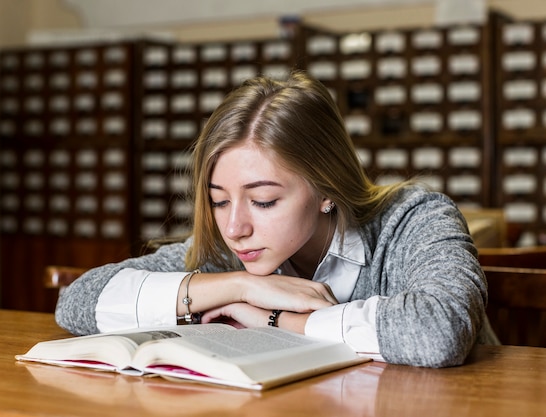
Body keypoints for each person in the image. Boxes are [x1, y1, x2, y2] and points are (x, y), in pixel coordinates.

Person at [55, 70, 498, 368]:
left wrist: (273, 320)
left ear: (326, 188)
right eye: (218, 200)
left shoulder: (414, 221)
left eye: (263, 200)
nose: (234, 228)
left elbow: (438, 331)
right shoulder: (225, 253)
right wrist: (242, 286)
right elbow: (77, 302)